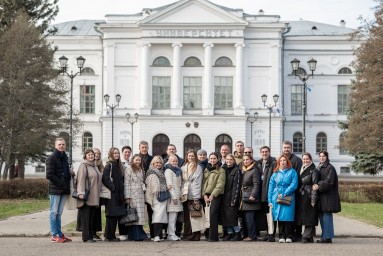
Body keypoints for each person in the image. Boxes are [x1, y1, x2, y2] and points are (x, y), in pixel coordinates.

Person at [46, 138, 73, 243]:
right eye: (59, 144)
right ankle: (54, 235)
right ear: (55, 145)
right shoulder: (51, 158)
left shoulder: (65, 157)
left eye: (63, 144)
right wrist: (61, 183)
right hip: (55, 190)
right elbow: (49, 175)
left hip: (64, 190)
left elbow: (65, 172)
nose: (61, 146)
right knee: (54, 212)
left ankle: (59, 234)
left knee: (59, 213)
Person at [268, 154, 298, 243]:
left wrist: (285, 193)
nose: (282, 162)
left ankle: (289, 235)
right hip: (276, 197)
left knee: (288, 216)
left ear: (287, 162)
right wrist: (269, 200)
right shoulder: (275, 173)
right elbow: (271, 187)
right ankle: (281, 235)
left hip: (288, 197)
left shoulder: (292, 172)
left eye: (284, 160)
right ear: (278, 162)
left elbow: (294, 184)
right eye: (281, 161)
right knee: (279, 216)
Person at [313, 150, 341, 244]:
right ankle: (324, 236)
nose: (321, 158)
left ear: (327, 157)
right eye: (320, 156)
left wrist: (318, 185)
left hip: (328, 196)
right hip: (321, 197)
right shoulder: (319, 167)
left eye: (323, 156)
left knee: (327, 216)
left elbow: (329, 182)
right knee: (322, 216)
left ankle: (327, 237)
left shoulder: (330, 168)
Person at [76, 149, 102, 243]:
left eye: (92, 154)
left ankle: (90, 235)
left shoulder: (94, 166)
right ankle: (86, 237)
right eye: (89, 155)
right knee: (86, 218)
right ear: (85, 156)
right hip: (86, 195)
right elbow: (81, 179)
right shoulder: (84, 166)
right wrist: (81, 192)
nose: (91, 156)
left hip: (95, 196)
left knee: (91, 217)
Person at [102, 147, 126, 242]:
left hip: (118, 194)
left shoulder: (118, 165)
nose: (116, 155)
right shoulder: (109, 165)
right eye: (114, 153)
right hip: (112, 194)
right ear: (111, 154)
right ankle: (109, 236)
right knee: (111, 215)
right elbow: (105, 178)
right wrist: (113, 188)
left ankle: (110, 235)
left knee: (115, 215)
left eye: (117, 153)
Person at [282, 140, 303, 242]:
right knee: (285, 213)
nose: (286, 149)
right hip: (283, 191)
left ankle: (297, 234)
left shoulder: (297, 160)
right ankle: (287, 233)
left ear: (291, 148)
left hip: (295, 191)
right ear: (282, 148)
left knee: (296, 213)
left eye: (288, 147)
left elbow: (299, 177)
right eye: (285, 147)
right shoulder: (281, 159)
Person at [202, 152, 226, 242]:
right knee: (207, 216)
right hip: (206, 196)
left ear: (217, 159)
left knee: (213, 215)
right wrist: (204, 194)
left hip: (216, 195)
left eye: (214, 158)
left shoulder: (221, 170)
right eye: (211, 158)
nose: (212, 160)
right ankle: (207, 235)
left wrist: (213, 195)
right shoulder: (207, 169)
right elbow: (203, 183)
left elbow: (220, 184)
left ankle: (213, 237)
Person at [296, 152, 319, 243]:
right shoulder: (302, 168)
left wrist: (313, 199)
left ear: (311, 160)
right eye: (304, 159)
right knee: (305, 216)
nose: (305, 160)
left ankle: (306, 236)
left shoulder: (314, 170)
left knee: (310, 216)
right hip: (302, 195)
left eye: (307, 159)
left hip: (309, 195)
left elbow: (314, 185)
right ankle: (310, 237)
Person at [124, 154, 148, 241]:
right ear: (133, 160)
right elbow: (126, 183)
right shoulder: (129, 169)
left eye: (139, 160)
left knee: (139, 215)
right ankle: (136, 235)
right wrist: (127, 196)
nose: (138, 162)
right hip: (133, 194)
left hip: (140, 193)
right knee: (134, 215)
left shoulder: (141, 170)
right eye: (136, 160)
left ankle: (136, 235)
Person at [181, 149, 204, 241]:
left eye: (192, 156)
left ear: (195, 157)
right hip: (185, 194)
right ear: (187, 156)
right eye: (189, 156)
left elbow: (197, 183)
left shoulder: (198, 168)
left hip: (193, 195)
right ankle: (187, 235)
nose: (190, 157)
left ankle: (194, 236)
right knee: (187, 217)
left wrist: (196, 197)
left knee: (194, 217)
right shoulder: (184, 166)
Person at [256, 146, 277, 242]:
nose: (264, 153)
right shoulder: (258, 163)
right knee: (266, 215)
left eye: (266, 152)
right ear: (260, 153)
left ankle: (271, 235)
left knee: (271, 215)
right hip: (261, 193)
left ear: (269, 152)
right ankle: (268, 234)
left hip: (270, 193)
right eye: (263, 152)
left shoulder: (274, 163)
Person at [145, 156, 168, 242]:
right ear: (153, 163)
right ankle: (156, 235)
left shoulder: (160, 172)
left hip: (160, 196)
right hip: (156, 196)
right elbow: (153, 187)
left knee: (159, 215)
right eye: (156, 162)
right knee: (157, 216)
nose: (158, 164)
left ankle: (157, 235)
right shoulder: (152, 172)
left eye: (160, 162)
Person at [239, 154, 262, 241]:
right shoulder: (243, 170)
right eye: (244, 160)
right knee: (246, 218)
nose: (245, 161)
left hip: (250, 197)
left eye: (247, 160)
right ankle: (248, 234)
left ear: (251, 160)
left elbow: (257, 184)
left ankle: (252, 236)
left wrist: (253, 195)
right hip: (244, 197)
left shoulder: (254, 170)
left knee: (250, 218)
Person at [221, 154, 242, 241]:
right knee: (226, 217)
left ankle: (237, 233)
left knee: (232, 217)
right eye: (227, 159)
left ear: (234, 161)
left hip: (232, 198)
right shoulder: (223, 169)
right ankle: (230, 233)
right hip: (224, 197)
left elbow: (236, 186)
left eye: (231, 159)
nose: (229, 161)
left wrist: (234, 200)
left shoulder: (236, 170)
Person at [164, 155, 183, 241]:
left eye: (176, 161)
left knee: (174, 217)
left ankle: (172, 233)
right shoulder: (168, 170)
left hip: (177, 196)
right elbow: (169, 185)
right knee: (172, 217)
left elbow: (179, 184)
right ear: (169, 161)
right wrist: (174, 197)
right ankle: (171, 234)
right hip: (172, 198)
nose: (175, 162)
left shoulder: (178, 170)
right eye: (173, 161)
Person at [138, 141, 154, 238]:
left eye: (146, 147)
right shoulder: (136, 158)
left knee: (151, 211)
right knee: (139, 212)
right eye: (142, 147)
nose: (144, 149)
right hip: (139, 188)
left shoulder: (152, 159)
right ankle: (139, 233)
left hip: (149, 188)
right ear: (139, 148)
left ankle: (152, 233)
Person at [118, 145, 132, 241]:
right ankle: (122, 232)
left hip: (131, 190)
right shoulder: (120, 164)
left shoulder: (131, 163)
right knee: (122, 212)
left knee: (130, 212)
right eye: (125, 152)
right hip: (122, 190)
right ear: (122, 153)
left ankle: (129, 232)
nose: (127, 153)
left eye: (128, 152)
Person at [92, 148, 104, 240]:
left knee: (96, 213)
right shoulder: (89, 164)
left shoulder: (101, 165)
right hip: (91, 193)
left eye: (98, 153)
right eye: (95, 153)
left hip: (98, 192)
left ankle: (94, 232)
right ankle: (90, 233)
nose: (97, 155)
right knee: (91, 213)